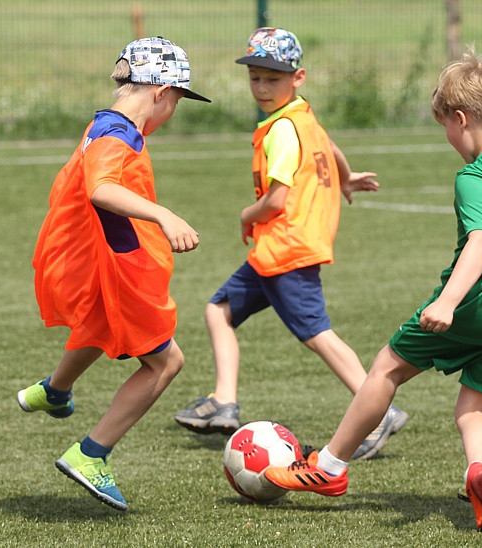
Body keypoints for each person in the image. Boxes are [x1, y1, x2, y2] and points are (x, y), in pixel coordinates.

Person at [264, 46, 482, 532]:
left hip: (473, 306)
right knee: (475, 406)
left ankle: (330, 465)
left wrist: (448, 303)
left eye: (445, 125)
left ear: (461, 117)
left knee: (387, 367)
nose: (448, 136)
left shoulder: (477, 176)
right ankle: (479, 470)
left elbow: (480, 241)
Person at [174, 27, 408, 460]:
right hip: (276, 251)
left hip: (287, 249)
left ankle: (381, 409)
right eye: (255, 78)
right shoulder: (302, 115)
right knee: (218, 310)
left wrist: (247, 214)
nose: (262, 88)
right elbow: (328, 143)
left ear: (297, 77)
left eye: (273, 79)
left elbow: (276, 199)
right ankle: (224, 400)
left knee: (318, 335)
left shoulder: (282, 128)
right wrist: (346, 174)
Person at [16, 36, 210, 511]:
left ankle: (54, 390)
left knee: (98, 324)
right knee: (166, 364)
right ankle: (91, 454)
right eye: (179, 101)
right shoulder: (117, 133)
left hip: (100, 262)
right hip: (114, 265)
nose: (174, 111)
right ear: (163, 91)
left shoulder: (106, 124)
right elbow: (101, 189)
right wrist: (164, 215)